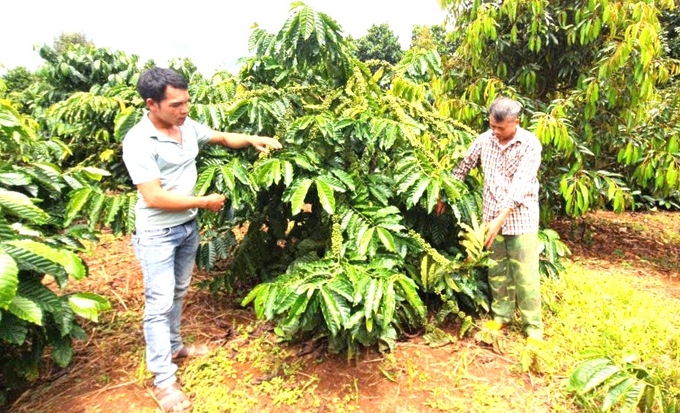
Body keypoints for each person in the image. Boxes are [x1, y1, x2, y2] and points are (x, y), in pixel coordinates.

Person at [122, 67, 282, 413]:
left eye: (187, 102)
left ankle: (176, 346)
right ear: (152, 104)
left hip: (186, 228)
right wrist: (204, 202)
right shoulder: (138, 141)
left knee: (179, 291)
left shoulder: (186, 126)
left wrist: (254, 139)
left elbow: (223, 137)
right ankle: (164, 380)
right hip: (157, 233)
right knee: (159, 302)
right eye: (176, 104)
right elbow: (153, 197)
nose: (185, 109)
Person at [439, 96, 543, 343]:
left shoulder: (529, 144)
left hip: (521, 217)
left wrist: (500, 220)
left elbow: (521, 184)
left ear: (516, 122)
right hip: (491, 214)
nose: (495, 131)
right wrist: (445, 193)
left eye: (501, 127)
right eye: (492, 126)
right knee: (497, 270)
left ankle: (533, 328)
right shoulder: (485, 140)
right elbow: (462, 167)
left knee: (525, 273)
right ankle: (501, 316)